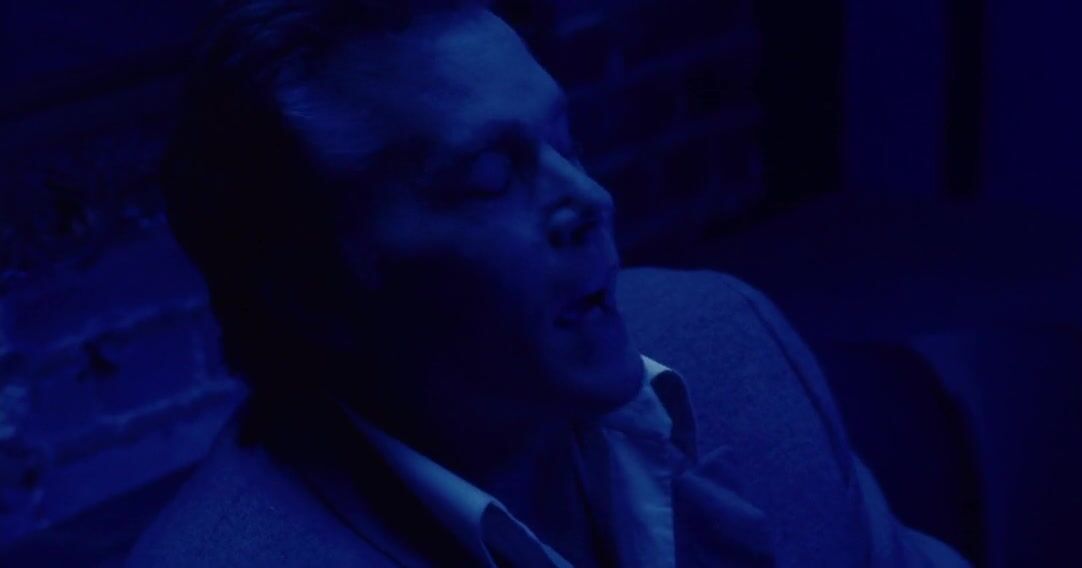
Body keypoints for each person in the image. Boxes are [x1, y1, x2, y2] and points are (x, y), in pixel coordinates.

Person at [128, 1, 968, 566]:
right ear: (315, 295)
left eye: (565, 142)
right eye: (491, 177)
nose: (591, 200)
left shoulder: (730, 334)